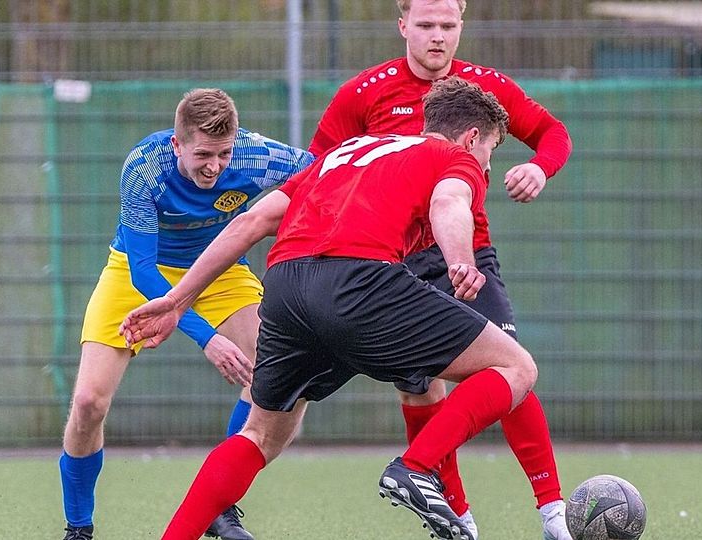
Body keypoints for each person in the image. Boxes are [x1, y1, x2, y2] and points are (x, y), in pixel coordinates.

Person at [121, 78, 536, 540]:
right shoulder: (454, 158)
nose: (487, 164)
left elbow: (252, 221)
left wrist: (177, 301)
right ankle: (417, 467)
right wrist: (461, 261)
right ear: (472, 137)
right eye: (492, 151)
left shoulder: (348, 151)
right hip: (360, 279)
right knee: (515, 366)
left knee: (262, 433)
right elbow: (449, 201)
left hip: (285, 287)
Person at [306, 1, 573, 538]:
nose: (436, 37)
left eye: (447, 26)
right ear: (402, 25)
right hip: (394, 263)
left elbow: (552, 133)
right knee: (420, 389)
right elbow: (321, 168)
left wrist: (539, 168)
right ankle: (459, 520)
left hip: (469, 252)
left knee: (510, 367)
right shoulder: (364, 92)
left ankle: (553, 513)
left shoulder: (482, 89)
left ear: (461, 26)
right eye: (425, 25)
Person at [59, 88, 314, 540]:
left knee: (271, 375)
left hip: (220, 269)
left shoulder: (257, 157)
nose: (214, 166)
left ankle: (220, 504)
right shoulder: (145, 166)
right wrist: (208, 338)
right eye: (202, 155)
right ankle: (79, 528)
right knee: (87, 403)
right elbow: (142, 271)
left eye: (223, 153)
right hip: (140, 274)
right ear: (177, 144)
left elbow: (327, 173)